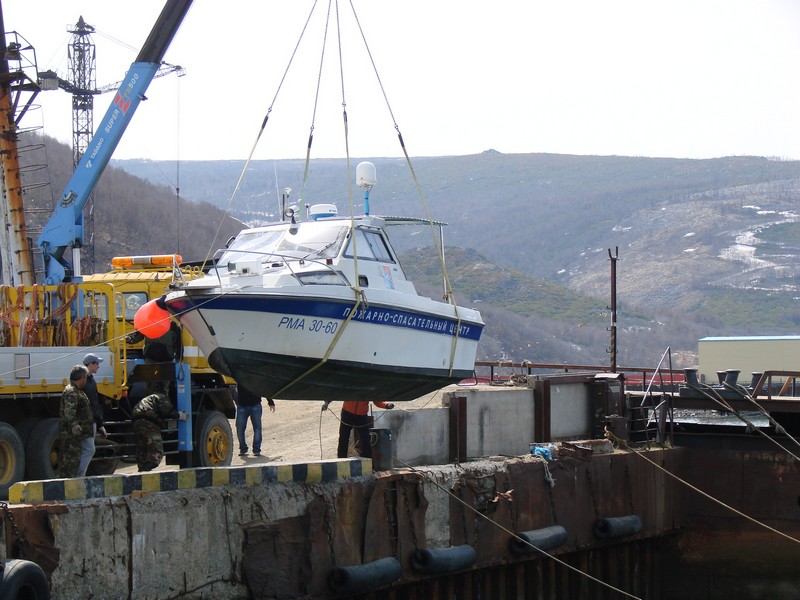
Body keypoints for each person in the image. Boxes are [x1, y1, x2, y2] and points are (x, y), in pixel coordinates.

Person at [131, 392, 187, 472]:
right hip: (148, 422)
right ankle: (147, 467)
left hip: (136, 422)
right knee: (156, 447)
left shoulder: (149, 399)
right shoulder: (161, 396)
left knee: (142, 448)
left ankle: (142, 469)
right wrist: (179, 415)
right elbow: (167, 411)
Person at [126, 320, 182, 395]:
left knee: (164, 388)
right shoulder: (148, 323)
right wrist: (129, 339)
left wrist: (179, 358)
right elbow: (138, 335)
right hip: (151, 360)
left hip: (166, 361)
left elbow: (179, 344)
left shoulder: (173, 326)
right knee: (149, 387)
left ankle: (162, 402)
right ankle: (151, 401)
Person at [58, 365, 94, 478]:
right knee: (71, 462)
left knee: (81, 455)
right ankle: (75, 480)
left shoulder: (77, 391)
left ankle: (77, 478)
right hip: (71, 435)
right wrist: (74, 425)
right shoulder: (72, 392)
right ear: (82, 377)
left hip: (79, 434)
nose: (86, 380)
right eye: (86, 377)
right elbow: (69, 411)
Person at [77, 353, 108, 477]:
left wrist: (100, 424)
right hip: (86, 421)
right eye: (97, 364)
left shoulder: (91, 380)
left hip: (92, 421)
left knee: (87, 449)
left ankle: (80, 476)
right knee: (89, 449)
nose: (98, 366)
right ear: (90, 365)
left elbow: (95, 403)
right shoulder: (84, 382)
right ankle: (79, 477)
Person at [235, 384, 275, 456]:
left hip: (255, 405)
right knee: (240, 428)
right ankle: (243, 448)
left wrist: (270, 402)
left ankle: (256, 449)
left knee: (257, 428)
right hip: (242, 406)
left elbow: (264, 389)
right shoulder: (239, 377)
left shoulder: (256, 378)